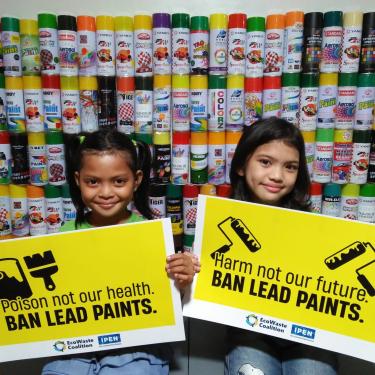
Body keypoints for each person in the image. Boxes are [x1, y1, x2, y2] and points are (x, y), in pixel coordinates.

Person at [42, 129, 198, 375]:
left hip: (138, 342)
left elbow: (168, 300)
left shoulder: (151, 235)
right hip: (78, 340)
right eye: (93, 182)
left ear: (136, 180)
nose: (105, 193)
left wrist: (183, 277)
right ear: (77, 179)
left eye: (118, 181)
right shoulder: (65, 232)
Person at [225, 118, 337, 375]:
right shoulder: (222, 220)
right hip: (250, 331)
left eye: (290, 167)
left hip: (307, 333)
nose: (276, 175)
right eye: (265, 162)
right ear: (242, 165)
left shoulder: (313, 226)